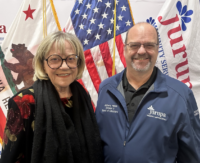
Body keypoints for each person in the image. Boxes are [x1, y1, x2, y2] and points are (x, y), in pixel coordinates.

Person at [95, 22, 200, 163]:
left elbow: (192, 156)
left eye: (149, 45)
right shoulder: (106, 89)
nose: (142, 51)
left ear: (157, 49)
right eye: (134, 45)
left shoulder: (180, 95)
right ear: (125, 49)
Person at [0, 31, 103, 163]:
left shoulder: (82, 95)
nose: (64, 66)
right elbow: (11, 158)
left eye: (71, 58)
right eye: (55, 59)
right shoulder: (24, 101)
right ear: (43, 64)